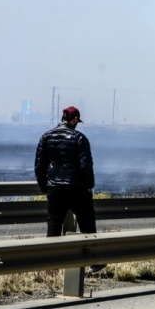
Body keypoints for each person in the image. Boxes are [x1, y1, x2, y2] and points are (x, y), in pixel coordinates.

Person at [34, 106, 105, 272]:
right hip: (76, 188)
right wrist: (89, 186)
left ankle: (50, 265)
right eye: (77, 121)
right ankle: (94, 261)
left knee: (54, 224)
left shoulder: (46, 136)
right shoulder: (79, 138)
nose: (77, 124)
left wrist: (44, 186)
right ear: (74, 120)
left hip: (54, 188)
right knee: (87, 224)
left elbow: (39, 165)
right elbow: (85, 165)